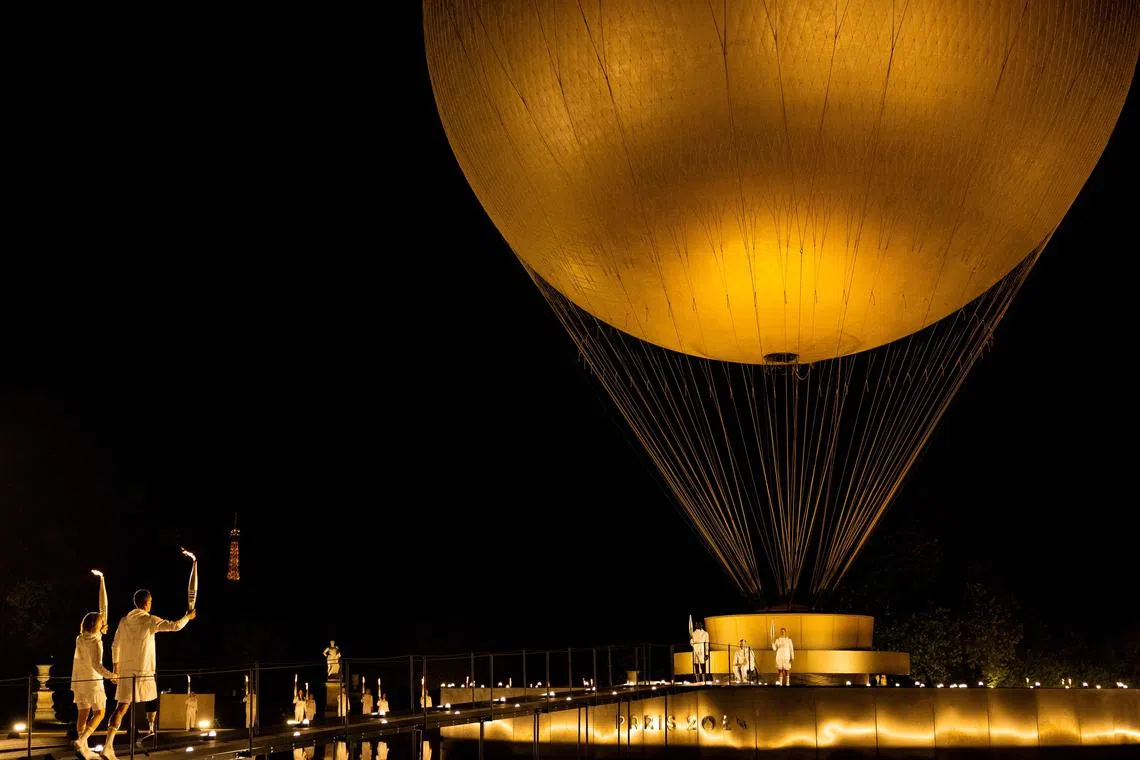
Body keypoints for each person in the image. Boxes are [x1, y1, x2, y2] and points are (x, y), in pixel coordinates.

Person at [102, 589, 195, 759]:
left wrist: (116, 669)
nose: (151, 603)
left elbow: (115, 645)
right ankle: (151, 728)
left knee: (121, 708)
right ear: (146, 602)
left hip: (126, 671)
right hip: (144, 671)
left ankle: (108, 746)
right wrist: (187, 617)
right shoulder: (150, 620)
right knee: (152, 698)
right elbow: (174, 626)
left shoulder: (124, 621)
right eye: (151, 601)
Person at [71, 612, 116, 759]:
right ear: (97, 624)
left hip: (78, 682)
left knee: (83, 714)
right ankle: (82, 741)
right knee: (100, 713)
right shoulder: (97, 642)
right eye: (102, 622)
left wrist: (100, 632)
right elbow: (97, 665)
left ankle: (83, 749)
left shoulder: (80, 638)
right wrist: (113, 676)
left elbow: (91, 637)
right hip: (93, 682)